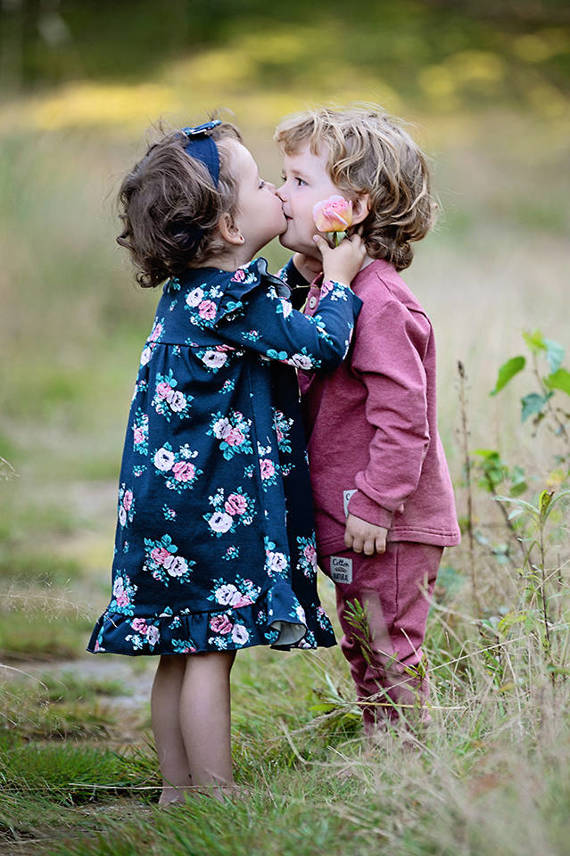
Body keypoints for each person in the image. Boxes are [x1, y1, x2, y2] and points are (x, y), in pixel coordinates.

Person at [87, 118, 365, 802]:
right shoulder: (234, 295)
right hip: (203, 514)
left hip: (161, 511)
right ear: (232, 228)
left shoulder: (195, 294)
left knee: (178, 652)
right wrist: (340, 278)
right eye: (264, 181)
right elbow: (318, 346)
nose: (277, 187)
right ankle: (216, 792)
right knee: (211, 650)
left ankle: (178, 790)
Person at [275, 106, 461, 735]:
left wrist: (378, 502)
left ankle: (410, 759)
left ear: (349, 207)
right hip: (353, 520)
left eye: (298, 182)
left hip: (388, 522)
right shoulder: (318, 290)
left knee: (390, 645)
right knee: (362, 640)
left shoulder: (377, 301)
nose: (280, 194)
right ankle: (383, 744)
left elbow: (406, 416)